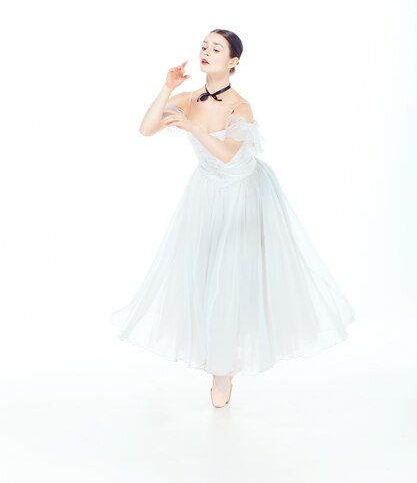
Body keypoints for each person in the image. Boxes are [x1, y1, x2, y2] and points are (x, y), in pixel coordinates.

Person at [110, 28, 355, 408]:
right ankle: (216, 362)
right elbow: (146, 129)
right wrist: (166, 87)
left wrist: (192, 126)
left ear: (233, 61)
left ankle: (224, 370)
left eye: (216, 48)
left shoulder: (240, 106)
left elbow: (227, 153)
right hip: (206, 192)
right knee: (203, 274)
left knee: (233, 277)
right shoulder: (189, 97)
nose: (206, 52)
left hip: (243, 193)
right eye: (204, 46)